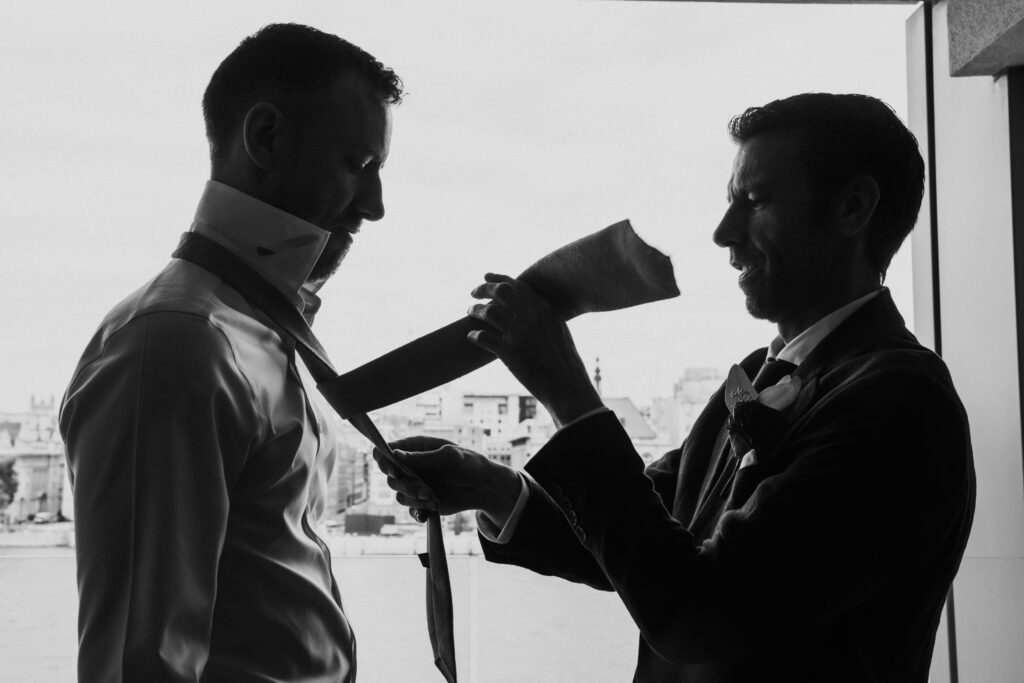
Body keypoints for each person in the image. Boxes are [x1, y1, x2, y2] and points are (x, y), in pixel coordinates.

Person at [378, 93, 976, 682]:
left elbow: (701, 616)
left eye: (755, 200)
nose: (723, 232)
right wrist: (493, 487)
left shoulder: (902, 402)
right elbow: (644, 541)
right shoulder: (757, 376)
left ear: (853, 206)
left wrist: (569, 395)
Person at [59, 24, 400, 682]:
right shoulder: (174, 345)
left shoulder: (252, 331)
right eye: (359, 166)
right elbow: (140, 663)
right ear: (266, 137)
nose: (377, 206)